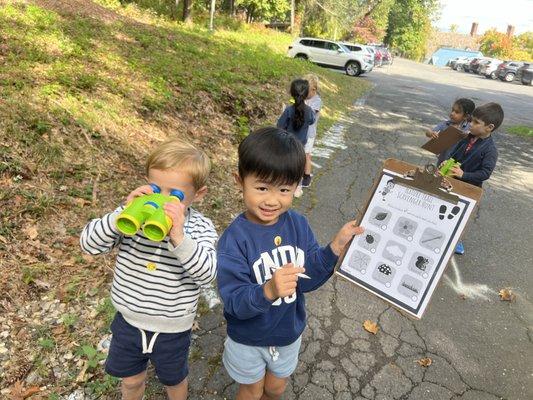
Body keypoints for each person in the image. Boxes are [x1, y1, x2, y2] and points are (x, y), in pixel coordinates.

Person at [216, 127, 364, 400]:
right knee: (251, 390)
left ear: (297, 186)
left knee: (275, 389)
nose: (272, 200)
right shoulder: (234, 239)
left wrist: (334, 248)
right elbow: (234, 300)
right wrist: (268, 291)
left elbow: (309, 277)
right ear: (240, 180)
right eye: (261, 188)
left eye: (284, 189)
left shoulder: (298, 224)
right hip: (247, 338)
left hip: (287, 333)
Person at [80, 139, 217, 400]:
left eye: (175, 195)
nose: (162, 200)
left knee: (174, 381)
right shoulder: (133, 217)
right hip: (129, 322)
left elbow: (207, 273)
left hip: (173, 328)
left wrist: (179, 238)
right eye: (156, 189)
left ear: (198, 195)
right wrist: (121, 214)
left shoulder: (200, 228)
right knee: (131, 382)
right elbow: (88, 243)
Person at [440, 102, 504, 254]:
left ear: (489, 127)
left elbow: (485, 173)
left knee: (462, 214)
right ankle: (441, 232)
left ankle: (457, 241)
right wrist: (447, 161)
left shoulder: (490, 150)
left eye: (476, 122)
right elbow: (455, 153)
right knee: (446, 207)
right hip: (452, 182)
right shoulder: (467, 138)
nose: (470, 124)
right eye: (471, 120)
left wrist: (464, 174)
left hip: (469, 188)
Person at [277, 79, 316, 197]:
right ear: (306, 93)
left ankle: (284, 188)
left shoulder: (288, 110)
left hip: (287, 145)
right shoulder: (309, 111)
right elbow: (311, 121)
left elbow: (279, 126)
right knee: (298, 167)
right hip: (300, 146)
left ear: (292, 93)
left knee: (286, 166)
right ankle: (297, 188)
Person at [301, 73, 322, 188]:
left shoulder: (316, 101)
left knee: (306, 155)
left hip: (309, 134)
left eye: (306, 91)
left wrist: (301, 105)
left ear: (313, 90)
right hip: (298, 131)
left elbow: (309, 115)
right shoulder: (303, 98)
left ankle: (307, 176)